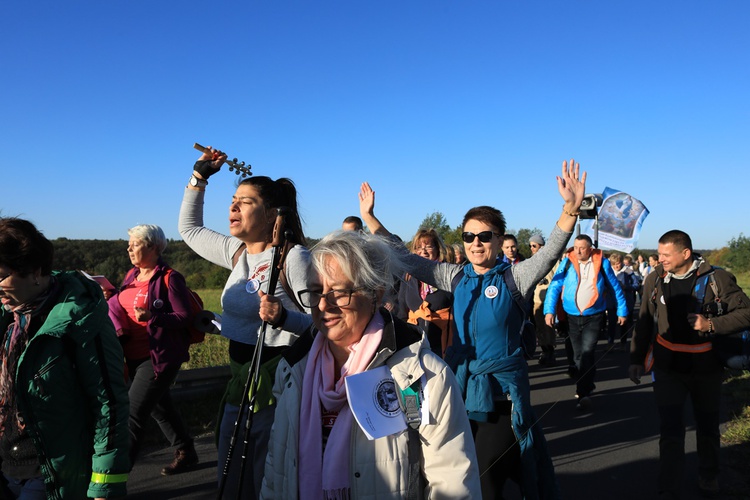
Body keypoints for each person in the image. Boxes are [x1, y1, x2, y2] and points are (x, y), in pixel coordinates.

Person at [358, 159, 586, 499]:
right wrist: (371, 219)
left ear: (498, 240)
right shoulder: (455, 276)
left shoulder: (516, 277)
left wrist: (570, 209)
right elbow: (406, 257)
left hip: (502, 398)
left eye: (484, 236)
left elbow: (550, 253)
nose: (476, 243)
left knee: (486, 475)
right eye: (468, 236)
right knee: (467, 474)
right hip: (457, 391)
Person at [260, 230, 481, 499]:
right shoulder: (293, 370)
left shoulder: (423, 375)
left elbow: (453, 483)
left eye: (339, 292)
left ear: (374, 293)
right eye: (316, 291)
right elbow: (276, 472)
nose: (322, 305)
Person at [179, 146, 312, 498]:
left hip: (279, 385)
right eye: (233, 200)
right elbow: (189, 229)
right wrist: (200, 177)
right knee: (231, 476)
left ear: (272, 214)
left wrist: (284, 317)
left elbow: (325, 326)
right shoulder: (236, 252)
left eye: (245, 201)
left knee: (267, 479)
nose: (233, 207)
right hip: (240, 382)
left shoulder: (294, 258)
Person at [0, 217, 130, 499]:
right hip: (6, 463)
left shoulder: (80, 318)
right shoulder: (9, 319)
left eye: (0, 276)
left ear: (34, 271)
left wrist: (104, 484)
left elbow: (108, 403)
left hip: (51, 471)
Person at [628, 230, 750, 499]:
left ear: (685, 253)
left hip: (706, 370)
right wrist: (636, 360)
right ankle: (669, 486)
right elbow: (645, 321)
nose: (660, 259)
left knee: (707, 428)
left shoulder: (717, 278)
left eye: (665, 255)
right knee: (670, 430)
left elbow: (746, 313)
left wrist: (711, 325)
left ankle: (709, 475)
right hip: (667, 369)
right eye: (658, 254)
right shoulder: (655, 278)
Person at [106, 224, 197, 474]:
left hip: (157, 356)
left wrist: (153, 317)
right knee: (160, 407)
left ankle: (114, 479)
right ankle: (186, 450)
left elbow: (183, 316)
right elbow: (123, 302)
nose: (129, 248)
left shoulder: (170, 278)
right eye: (129, 244)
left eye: (135, 244)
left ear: (153, 246)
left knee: (133, 414)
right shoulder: (131, 276)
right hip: (131, 355)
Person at [544, 234, 628, 410]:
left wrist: (622, 311)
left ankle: (583, 392)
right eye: (576, 247)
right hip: (572, 316)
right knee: (577, 355)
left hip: (594, 316)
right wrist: (549, 311)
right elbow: (554, 287)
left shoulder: (602, 263)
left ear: (590, 249)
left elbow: (614, 288)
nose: (578, 251)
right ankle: (587, 385)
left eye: (582, 247)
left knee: (588, 352)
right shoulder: (567, 262)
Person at [397, 228, 453, 358]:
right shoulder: (408, 276)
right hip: (415, 342)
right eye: (418, 248)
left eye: (428, 247)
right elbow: (402, 308)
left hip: (443, 342)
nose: (423, 251)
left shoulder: (448, 274)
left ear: (437, 249)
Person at [529, 235, 558, 366]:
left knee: (548, 327)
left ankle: (550, 351)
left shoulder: (552, 259)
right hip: (536, 298)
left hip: (548, 299)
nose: (532, 248)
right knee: (539, 327)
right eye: (530, 246)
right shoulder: (532, 260)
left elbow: (558, 277)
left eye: (534, 245)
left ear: (541, 246)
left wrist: (546, 280)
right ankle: (544, 350)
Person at [606, 253, 638, 350]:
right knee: (611, 324)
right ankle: (610, 344)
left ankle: (623, 343)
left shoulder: (628, 272)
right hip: (612, 302)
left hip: (625, 302)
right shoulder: (608, 272)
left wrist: (626, 287)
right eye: (614, 264)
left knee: (623, 324)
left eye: (618, 263)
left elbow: (636, 285)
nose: (616, 266)